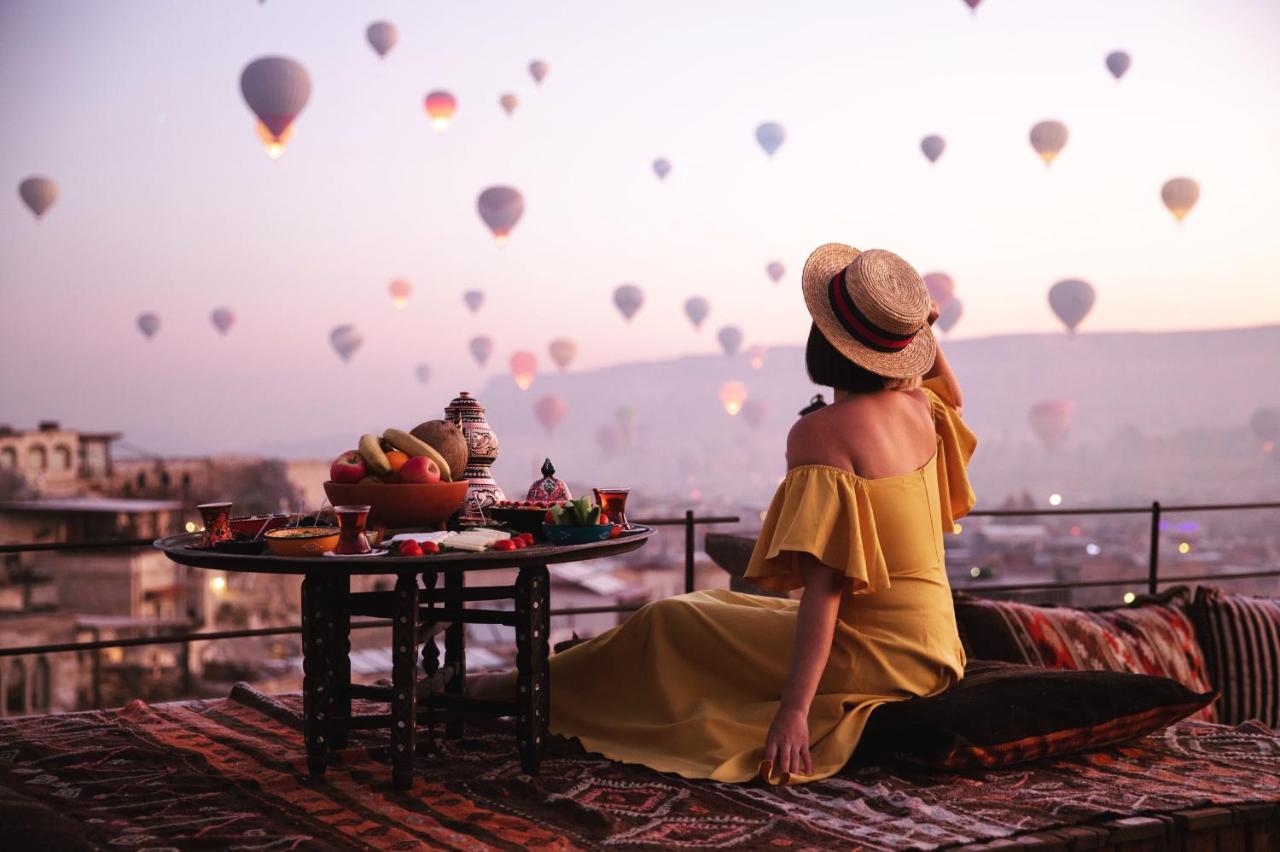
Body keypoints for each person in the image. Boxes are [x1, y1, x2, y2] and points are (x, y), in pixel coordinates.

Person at [458, 244, 976, 785]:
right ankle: (526, 683)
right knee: (708, 604)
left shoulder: (822, 432)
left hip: (873, 656)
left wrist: (795, 711)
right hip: (935, 647)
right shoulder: (921, 408)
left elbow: (824, 589)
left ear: (825, 341)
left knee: (667, 622)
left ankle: (518, 690)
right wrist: (922, 330)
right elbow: (953, 397)